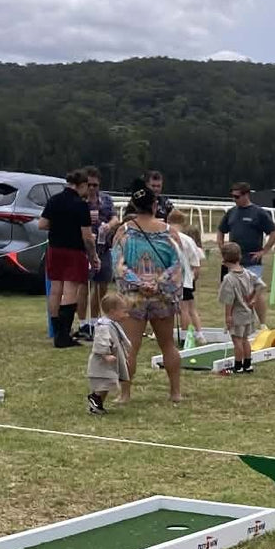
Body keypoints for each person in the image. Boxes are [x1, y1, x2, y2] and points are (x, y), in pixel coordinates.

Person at [113, 186, 184, 403]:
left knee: (130, 347)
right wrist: (157, 282)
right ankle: (175, 392)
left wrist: (139, 282)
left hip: (133, 296)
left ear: (134, 206)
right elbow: (178, 263)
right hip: (162, 295)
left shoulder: (124, 231)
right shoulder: (168, 231)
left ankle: (124, 394)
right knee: (168, 345)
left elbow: (118, 264)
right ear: (155, 205)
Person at [38, 168, 100, 348]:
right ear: (80, 185)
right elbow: (87, 237)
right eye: (87, 186)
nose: (88, 190)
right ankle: (64, 335)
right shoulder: (80, 205)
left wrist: (58, 225)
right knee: (71, 289)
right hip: (74, 251)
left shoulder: (54, 200)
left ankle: (56, 330)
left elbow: (42, 224)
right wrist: (93, 256)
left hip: (55, 249)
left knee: (56, 289)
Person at [215, 183, 275, 326]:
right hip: (232, 260)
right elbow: (220, 230)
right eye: (232, 196)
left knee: (255, 292)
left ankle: (262, 324)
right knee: (232, 292)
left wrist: (264, 250)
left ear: (246, 195)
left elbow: (274, 231)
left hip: (252, 260)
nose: (234, 199)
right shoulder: (231, 212)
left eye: (237, 196)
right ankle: (235, 322)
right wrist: (221, 246)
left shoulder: (259, 213)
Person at [79, 166, 118, 340]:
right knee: (83, 286)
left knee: (101, 285)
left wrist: (109, 225)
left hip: (104, 248)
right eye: (89, 185)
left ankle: (95, 321)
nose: (92, 188)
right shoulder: (80, 201)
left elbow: (115, 217)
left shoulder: (106, 200)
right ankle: (82, 322)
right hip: (84, 249)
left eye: (95, 184)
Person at [217, 242, 263, 374]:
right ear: (239, 257)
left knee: (237, 341)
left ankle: (238, 366)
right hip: (248, 313)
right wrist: (254, 298)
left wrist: (228, 316)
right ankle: (247, 365)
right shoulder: (248, 273)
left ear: (224, 259)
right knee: (245, 340)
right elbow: (260, 285)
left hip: (237, 314)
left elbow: (229, 300)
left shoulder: (229, 279)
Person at [85, 291, 132, 414]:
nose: (126, 315)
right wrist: (105, 354)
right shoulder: (103, 326)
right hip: (102, 362)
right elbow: (101, 342)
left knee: (107, 383)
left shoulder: (112, 324)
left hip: (110, 362)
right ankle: (95, 398)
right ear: (112, 311)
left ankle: (97, 406)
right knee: (104, 383)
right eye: (124, 311)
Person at [168, 211, 205, 343]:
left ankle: (185, 338)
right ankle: (199, 334)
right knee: (190, 308)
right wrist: (194, 276)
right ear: (183, 223)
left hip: (170, 278)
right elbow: (196, 263)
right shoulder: (188, 240)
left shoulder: (165, 237)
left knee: (178, 310)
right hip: (186, 279)